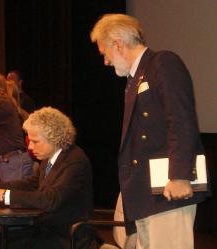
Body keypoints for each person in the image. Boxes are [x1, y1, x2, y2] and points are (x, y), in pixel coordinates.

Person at [90, 14, 210, 249]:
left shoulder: (162, 63)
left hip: (167, 190)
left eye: (105, 53)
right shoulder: (136, 79)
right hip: (145, 191)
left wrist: (179, 176)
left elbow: (181, 120)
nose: (106, 61)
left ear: (118, 43)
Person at [0, 107, 95, 249]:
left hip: (67, 237)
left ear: (54, 137)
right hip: (49, 229)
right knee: (1, 239)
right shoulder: (50, 157)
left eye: (35, 141)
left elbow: (50, 199)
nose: (30, 146)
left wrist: (3, 196)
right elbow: (31, 183)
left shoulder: (75, 161)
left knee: (6, 243)